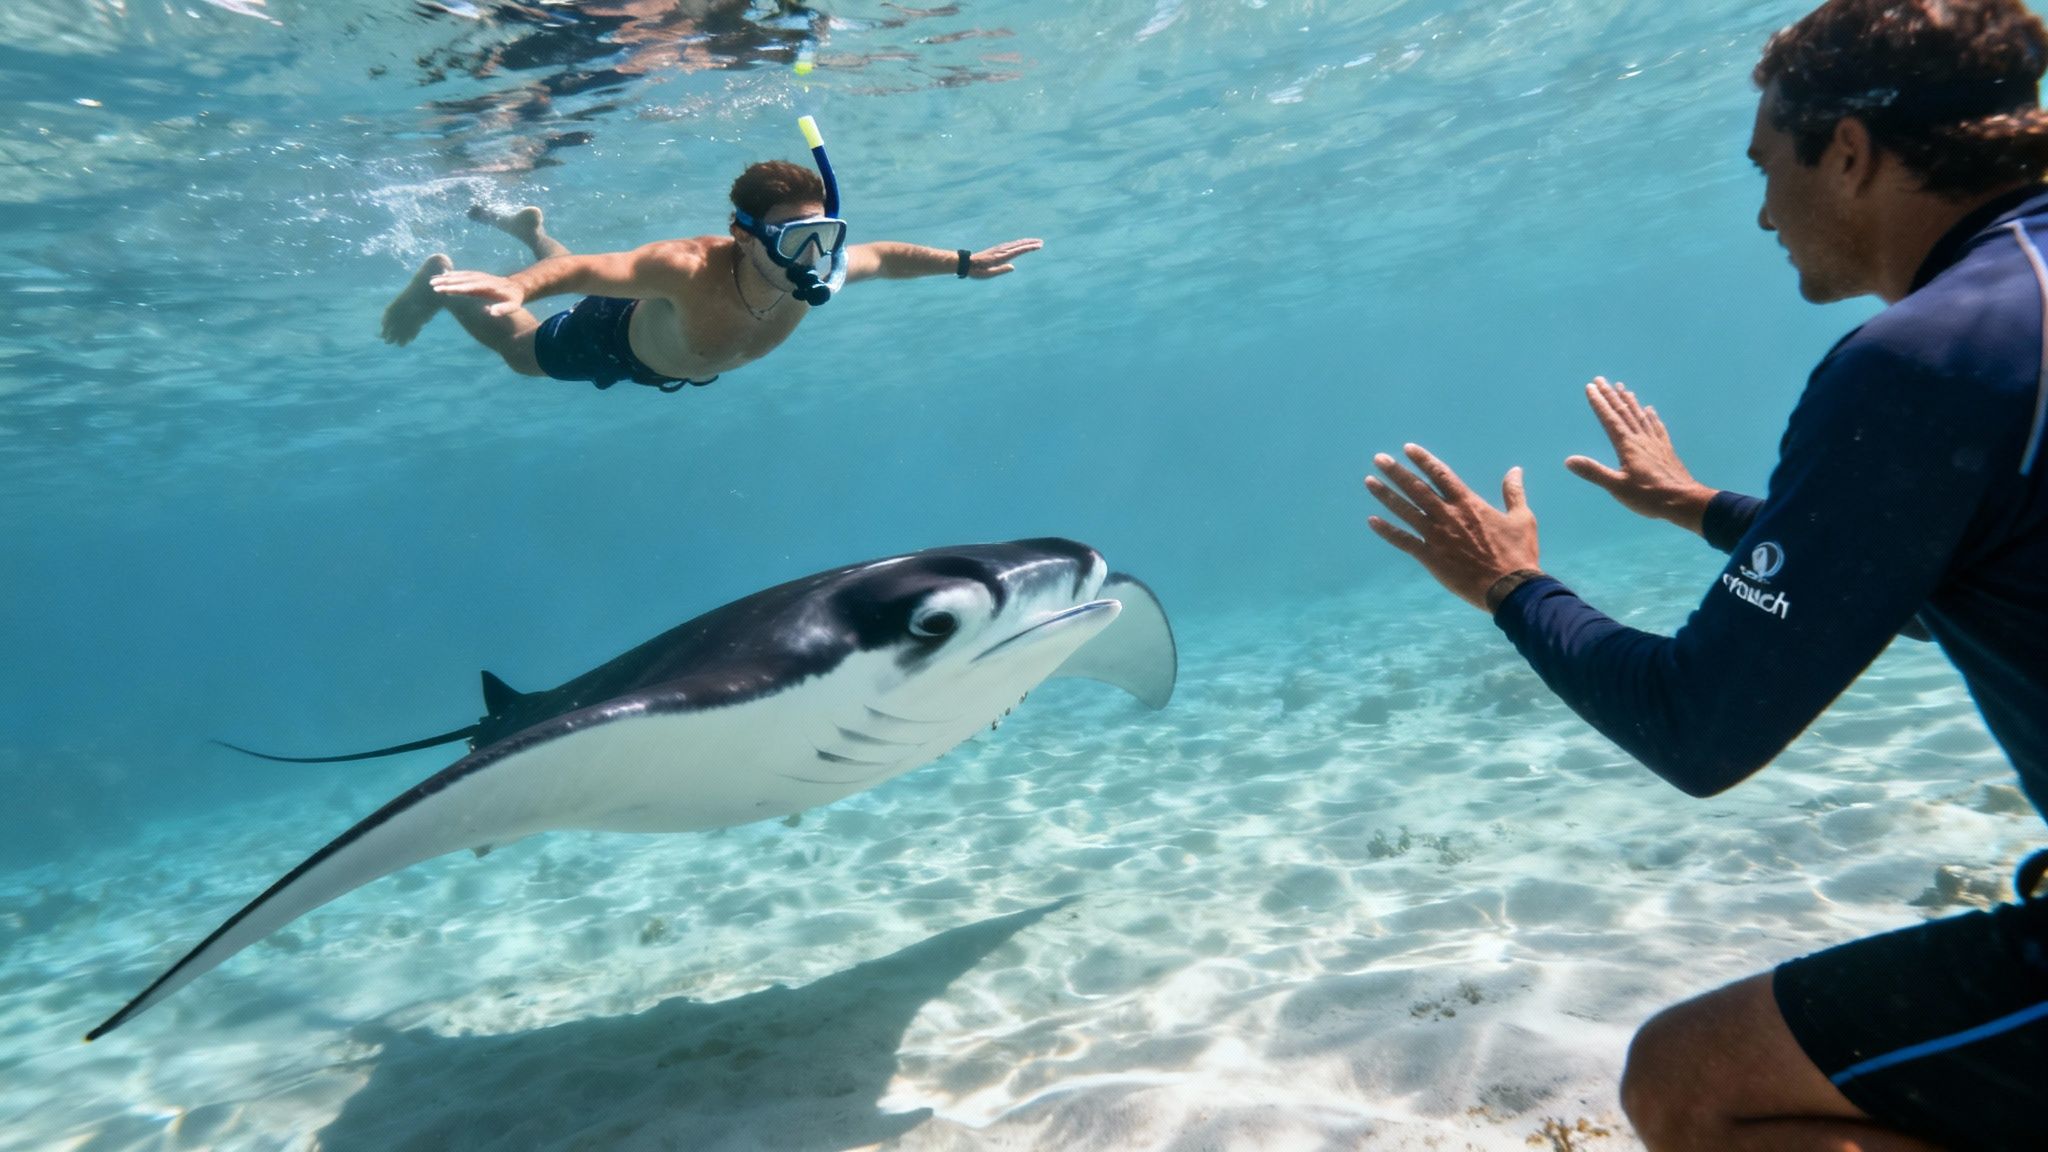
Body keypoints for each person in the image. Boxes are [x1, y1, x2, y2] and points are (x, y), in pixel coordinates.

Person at [1360, 1, 2048, 1148]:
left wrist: (1509, 587)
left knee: (1689, 1082)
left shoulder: (1921, 362)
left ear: (1847, 151)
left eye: (1766, 166)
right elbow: (1960, 580)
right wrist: (1696, 506)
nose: (1764, 211)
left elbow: (1695, 727)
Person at [379, 157, 1041, 393]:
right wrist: (520, 287)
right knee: (524, 356)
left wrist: (963, 263)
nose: (812, 254)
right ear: (743, 235)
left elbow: (886, 257)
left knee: (573, 283)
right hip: (616, 339)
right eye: (794, 238)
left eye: (823, 235)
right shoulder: (688, 267)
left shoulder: (817, 268)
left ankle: (529, 230)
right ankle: (439, 282)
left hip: (667, 354)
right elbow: (589, 269)